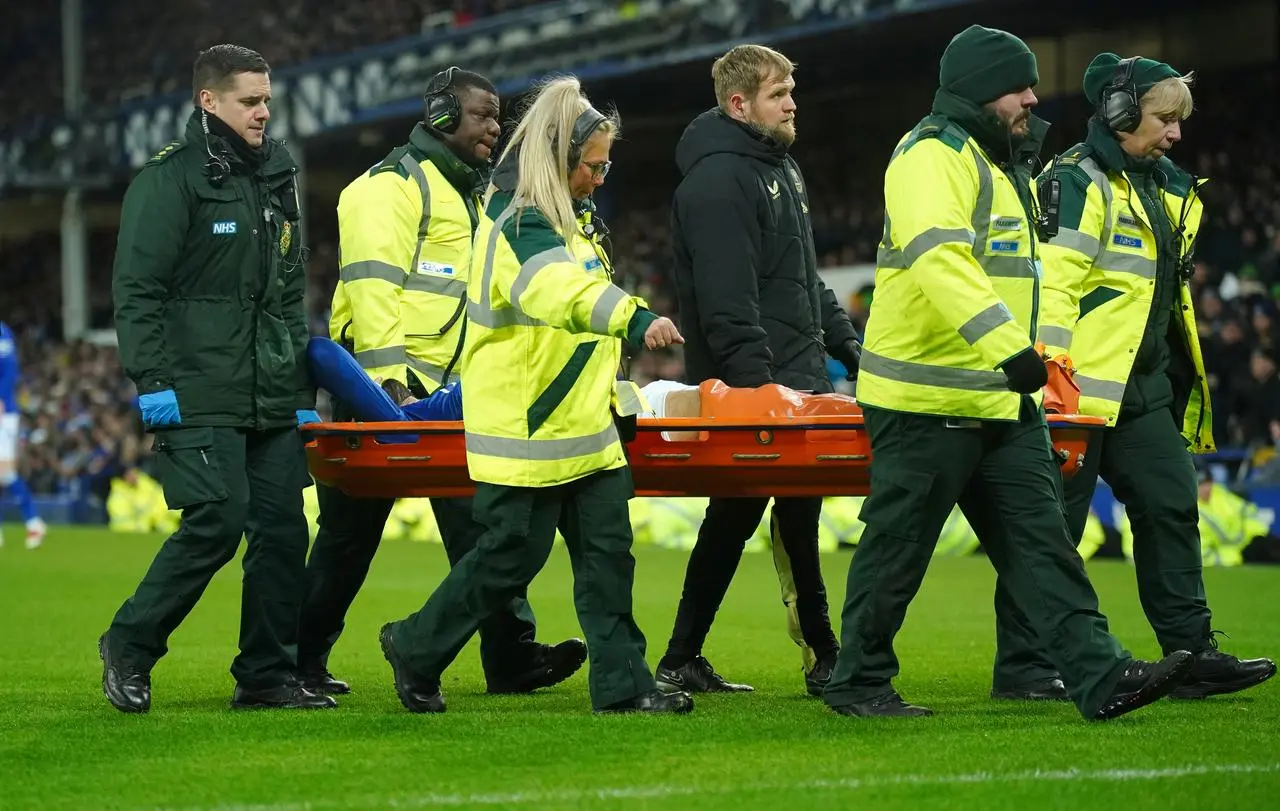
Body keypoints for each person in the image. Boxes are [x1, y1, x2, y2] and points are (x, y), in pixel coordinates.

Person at [822, 25, 1194, 721]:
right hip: (925, 396)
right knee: (898, 550)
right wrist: (1009, 347)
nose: (1032, 96)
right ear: (979, 87)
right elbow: (940, 259)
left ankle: (1098, 672)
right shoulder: (931, 154)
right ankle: (857, 680)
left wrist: (1019, 361)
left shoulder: (1000, 163)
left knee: (1044, 545)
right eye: (1018, 85)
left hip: (997, 396)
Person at [377, 75, 693, 715]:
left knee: (608, 557)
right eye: (593, 165)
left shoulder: (566, 219)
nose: (602, 177)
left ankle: (624, 686)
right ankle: (415, 646)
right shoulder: (520, 222)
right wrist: (634, 317)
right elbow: (558, 293)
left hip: (584, 428)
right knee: (505, 559)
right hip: (526, 430)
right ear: (559, 159)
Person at [297, 67, 587, 698]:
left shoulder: (476, 196)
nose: (495, 127)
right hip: (378, 396)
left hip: (457, 393)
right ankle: (300, 660)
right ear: (440, 117)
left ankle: (510, 656)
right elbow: (374, 289)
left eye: (497, 116)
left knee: (483, 529)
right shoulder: (384, 189)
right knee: (350, 536)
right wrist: (388, 389)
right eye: (483, 115)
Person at [1031, 52, 1275, 698]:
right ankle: (1026, 667)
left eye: (1178, 121)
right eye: (1165, 118)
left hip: (1143, 389)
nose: (1176, 134)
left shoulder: (1170, 187)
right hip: (1078, 390)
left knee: (1172, 506)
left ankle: (1191, 653)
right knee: (1055, 529)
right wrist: (1051, 376)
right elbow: (1052, 288)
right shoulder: (1075, 181)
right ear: (1117, 113)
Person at [100, 44, 333, 713]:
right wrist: (153, 384)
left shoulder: (275, 174)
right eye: (249, 100)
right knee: (215, 521)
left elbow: (287, 291)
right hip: (195, 387)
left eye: (267, 99)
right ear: (209, 101)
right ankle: (130, 643)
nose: (264, 111)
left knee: (285, 530)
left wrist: (300, 396)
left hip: (271, 391)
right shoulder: (168, 182)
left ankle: (266, 673)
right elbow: (137, 292)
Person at [661, 43, 863, 696]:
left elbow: (806, 284)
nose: (793, 103)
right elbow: (728, 303)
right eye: (780, 94)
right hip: (759, 388)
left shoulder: (782, 168)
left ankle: (682, 656)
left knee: (738, 517)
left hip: (797, 377)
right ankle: (825, 652)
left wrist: (853, 350)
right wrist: (762, 392)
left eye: (791, 91)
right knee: (790, 516)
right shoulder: (720, 181)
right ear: (740, 103)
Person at [0, 321, 47, 550]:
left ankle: (34, 521)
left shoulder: (1, 332)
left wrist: (0, 398)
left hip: (3, 411)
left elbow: (10, 368)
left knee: (6, 473)